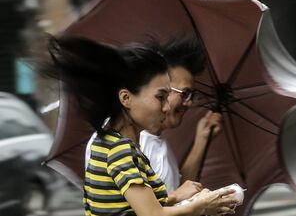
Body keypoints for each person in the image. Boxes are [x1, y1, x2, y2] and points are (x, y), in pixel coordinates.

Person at [42, 36, 237, 216]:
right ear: (126, 98)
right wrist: (200, 205)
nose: (167, 106)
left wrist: (176, 197)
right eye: (161, 97)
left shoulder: (107, 142)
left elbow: (132, 205)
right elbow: (152, 214)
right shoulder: (120, 151)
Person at [139, 37, 223, 204]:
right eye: (184, 94)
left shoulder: (158, 140)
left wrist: (202, 139)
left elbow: (179, 191)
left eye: (192, 96)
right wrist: (201, 207)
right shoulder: (128, 143)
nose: (189, 103)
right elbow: (144, 210)